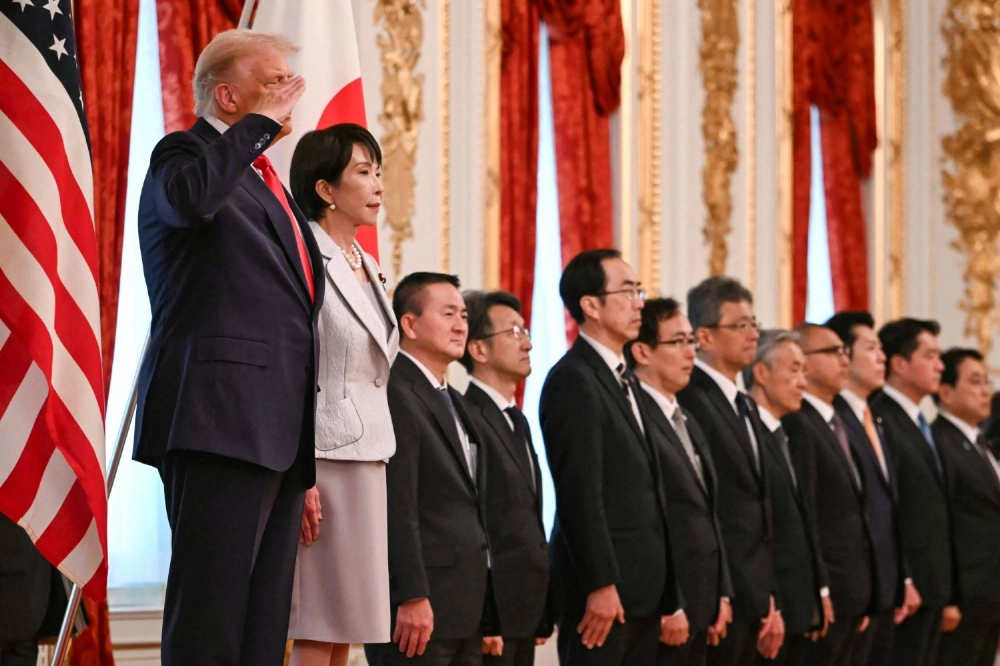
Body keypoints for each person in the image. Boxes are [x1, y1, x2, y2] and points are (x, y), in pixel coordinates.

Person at [133, 29, 321, 666]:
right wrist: (259, 128)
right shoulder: (181, 157)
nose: (289, 93)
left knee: (262, 630)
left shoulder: (269, 183)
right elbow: (191, 205)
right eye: (273, 82)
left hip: (276, 429)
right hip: (217, 418)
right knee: (209, 622)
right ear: (227, 95)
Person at [284, 124, 398, 666]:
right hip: (324, 456)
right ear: (326, 188)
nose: (377, 184)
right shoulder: (304, 254)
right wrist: (300, 471)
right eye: (362, 171)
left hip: (370, 453)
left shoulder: (368, 264)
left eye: (378, 172)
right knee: (319, 616)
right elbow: (295, 370)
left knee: (351, 620)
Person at [539, 249, 680, 665]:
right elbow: (579, 491)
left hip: (644, 589)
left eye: (640, 290)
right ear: (590, 305)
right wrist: (600, 584)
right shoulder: (573, 379)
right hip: (604, 595)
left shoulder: (625, 380)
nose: (640, 302)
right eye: (629, 290)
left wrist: (671, 590)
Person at [365, 273, 499, 666]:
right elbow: (396, 500)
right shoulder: (394, 390)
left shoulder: (453, 399)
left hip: (465, 606)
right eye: (448, 314)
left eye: (463, 315)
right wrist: (410, 594)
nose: (461, 324)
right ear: (409, 324)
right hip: (420, 606)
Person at [676, 276, 784, 665]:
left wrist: (769, 595)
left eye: (754, 323)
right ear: (703, 337)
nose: (753, 334)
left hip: (755, 594)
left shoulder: (745, 403)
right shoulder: (692, 400)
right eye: (740, 325)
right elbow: (710, 507)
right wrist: (723, 591)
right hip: (721, 595)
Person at [628, 298, 734, 666]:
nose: (691, 353)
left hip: (702, 597)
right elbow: (653, 517)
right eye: (677, 342)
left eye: (692, 341)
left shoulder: (685, 415)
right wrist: (670, 602)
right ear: (642, 351)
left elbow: (707, 511)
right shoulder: (635, 416)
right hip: (666, 602)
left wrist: (722, 591)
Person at [461, 290, 553, 666]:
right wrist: (487, 617)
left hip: (523, 610)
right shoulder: (468, 417)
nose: (528, 343)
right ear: (478, 350)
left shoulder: (517, 419)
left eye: (525, 331)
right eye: (514, 333)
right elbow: (478, 522)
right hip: (491, 615)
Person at [825, 312, 918, 666]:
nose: (882, 357)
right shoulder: (835, 420)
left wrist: (902, 577)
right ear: (843, 354)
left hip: (884, 587)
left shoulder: (873, 419)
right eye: (871, 348)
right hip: (853, 588)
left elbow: (888, 509)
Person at [781, 324, 874, 666]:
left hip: (854, 590)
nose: (843, 359)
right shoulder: (799, 423)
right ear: (803, 362)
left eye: (844, 351)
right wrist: (821, 589)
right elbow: (808, 514)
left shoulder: (841, 421)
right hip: (829, 592)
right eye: (832, 352)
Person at [869, 319, 957, 666]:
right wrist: (905, 577)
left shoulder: (920, 422)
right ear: (899, 364)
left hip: (933, 583)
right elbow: (890, 508)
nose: (940, 366)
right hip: (908, 588)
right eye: (930, 355)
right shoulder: (881, 420)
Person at [744, 330, 829, 666]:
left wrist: (818, 591)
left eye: (805, 372)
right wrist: (772, 601)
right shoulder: (750, 434)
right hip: (768, 611)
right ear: (762, 373)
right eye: (794, 370)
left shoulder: (788, 434)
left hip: (798, 606)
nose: (803, 383)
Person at [933, 349, 1000, 666]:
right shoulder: (940, 441)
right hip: (965, 595)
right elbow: (941, 523)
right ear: (946, 392)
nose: (985, 391)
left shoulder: (978, 442)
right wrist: (949, 598)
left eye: (986, 382)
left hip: (989, 591)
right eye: (974, 382)